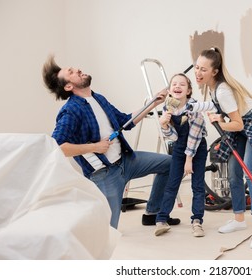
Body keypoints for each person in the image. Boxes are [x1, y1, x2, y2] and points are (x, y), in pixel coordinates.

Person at [42, 55, 180, 229]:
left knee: (170, 163)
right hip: (105, 175)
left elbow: (125, 121)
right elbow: (58, 147)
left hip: (126, 161)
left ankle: (152, 213)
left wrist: (153, 102)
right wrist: (95, 147)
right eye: (71, 72)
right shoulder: (71, 111)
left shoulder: (97, 98)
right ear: (68, 86)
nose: (77, 69)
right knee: (108, 231)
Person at [194, 47, 252, 249]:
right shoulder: (212, 87)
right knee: (233, 171)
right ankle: (239, 220)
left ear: (214, 71)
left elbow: (238, 124)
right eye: (197, 67)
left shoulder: (222, 90)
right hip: (241, 128)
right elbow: (217, 109)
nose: (198, 73)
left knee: (250, 168)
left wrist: (219, 121)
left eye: (203, 70)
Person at [154, 73, 208, 237]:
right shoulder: (168, 107)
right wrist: (164, 125)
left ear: (189, 90)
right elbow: (173, 137)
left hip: (197, 148)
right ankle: (161, 220)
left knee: (197, 186)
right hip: (179, 147)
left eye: (182, 84)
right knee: (172, 184)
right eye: (174, 84)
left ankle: (197, 221)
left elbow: (194, 136)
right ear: (170, 90)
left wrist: (189, 160)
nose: (177, 86)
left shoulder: (195, 108)